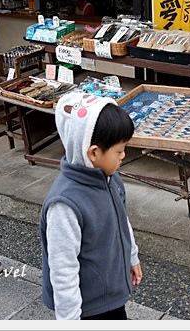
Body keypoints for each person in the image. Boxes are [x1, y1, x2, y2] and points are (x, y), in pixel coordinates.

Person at [40, 92, 143, 320]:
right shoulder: (65, 204)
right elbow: (63, 270)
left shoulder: (109, 178)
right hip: (88, 307)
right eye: (119, 150)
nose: (123, 155)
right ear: (94, 153)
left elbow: (122, 221)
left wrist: (132, 257)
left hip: (111, 293)